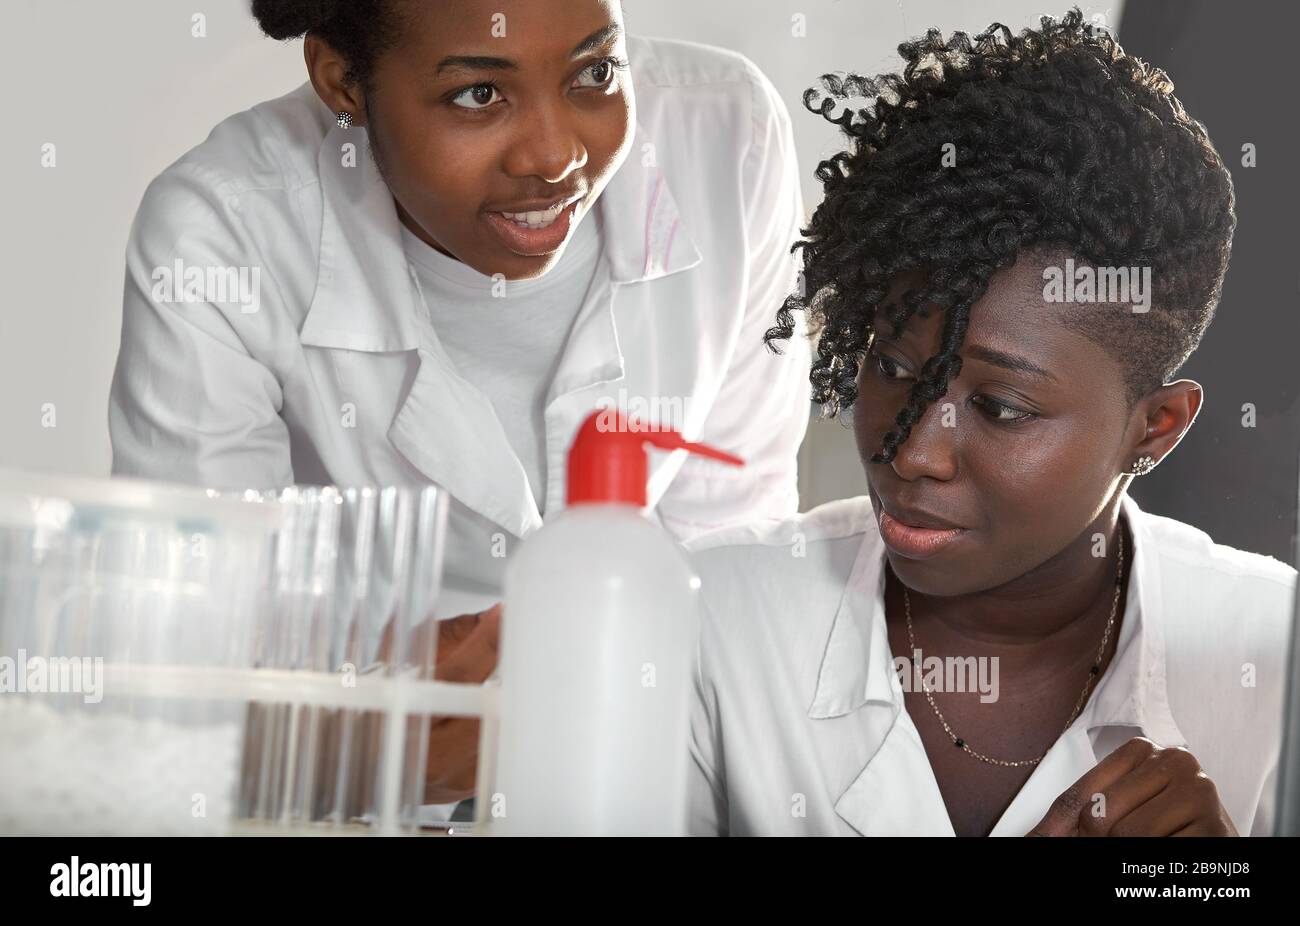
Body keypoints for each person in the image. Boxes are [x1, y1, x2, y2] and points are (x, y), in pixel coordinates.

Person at [106, 0, 810, 804]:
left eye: (595, 73)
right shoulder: (224, 230)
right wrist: (354, 756)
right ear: (342, 80)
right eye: (479, 95)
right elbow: (189, 661)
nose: (555, 157)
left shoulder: (727, 137)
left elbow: (732, 553)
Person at [685, 8, 1295, 836]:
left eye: (1001, 408)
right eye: (895, 368)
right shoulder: (712, 617)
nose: (913, 452)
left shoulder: (1274, 654)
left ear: (1154, 428)